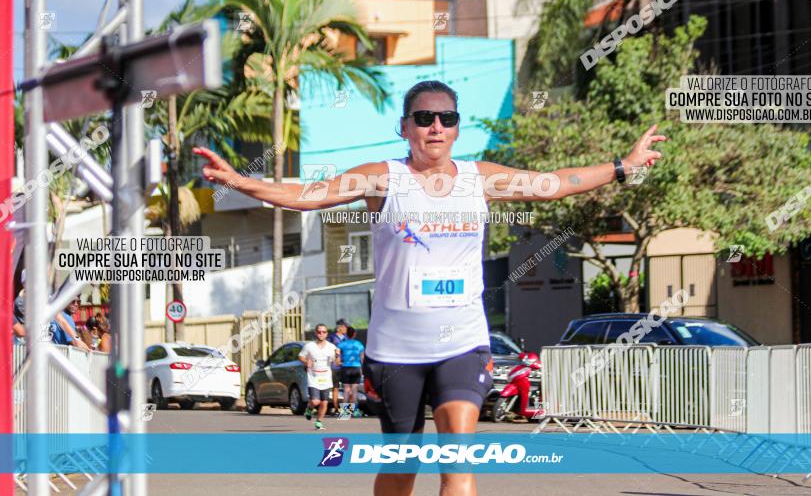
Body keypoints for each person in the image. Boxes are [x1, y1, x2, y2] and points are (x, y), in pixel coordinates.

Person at [194, 80, 664, 495]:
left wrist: (623, 165)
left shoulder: (479, 179)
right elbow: (306, 196)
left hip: (462, 341)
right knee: (403, 465)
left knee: (457, 457)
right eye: (424, 117)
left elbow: (556, 183)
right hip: (396, 348)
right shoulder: (383, 178)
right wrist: (239, 181)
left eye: (447, 118)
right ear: (405, 126)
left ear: (456, 128)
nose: (436, 126)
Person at [299, 324, 341, 430]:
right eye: (319, 332)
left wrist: (337, 355)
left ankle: (319, 422)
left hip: (326, 377)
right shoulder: (309, 346)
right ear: (315, 333)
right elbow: (301, 356)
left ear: (327, 333)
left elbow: (337, 362)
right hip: (313, 377)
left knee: (325, 402)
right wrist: (306, 361)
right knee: (315, 401)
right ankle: (309, 408)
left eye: (323, 332)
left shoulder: (331, 347)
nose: (321, 334)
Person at [337, 326, 365, 417]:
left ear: (346, 334)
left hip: (345, 368)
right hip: (356, 368)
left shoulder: (342, 344)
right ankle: (355, 411)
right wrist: (363, 369)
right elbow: (362, 358)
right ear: (354, 334)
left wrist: (340, 361)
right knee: (354, 390)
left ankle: (345, 413)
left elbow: (337, 355)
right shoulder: (359, 344)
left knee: (346, 390)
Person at [328, 319, 348, 414]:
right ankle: (336, 409)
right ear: (339, 328)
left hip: (345, 366)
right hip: (335, 366)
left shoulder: (347, 338)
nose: (346, 329)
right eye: (345, 327)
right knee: (335, 387)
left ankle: (345, 412)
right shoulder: (331, 338)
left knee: (346, 388)